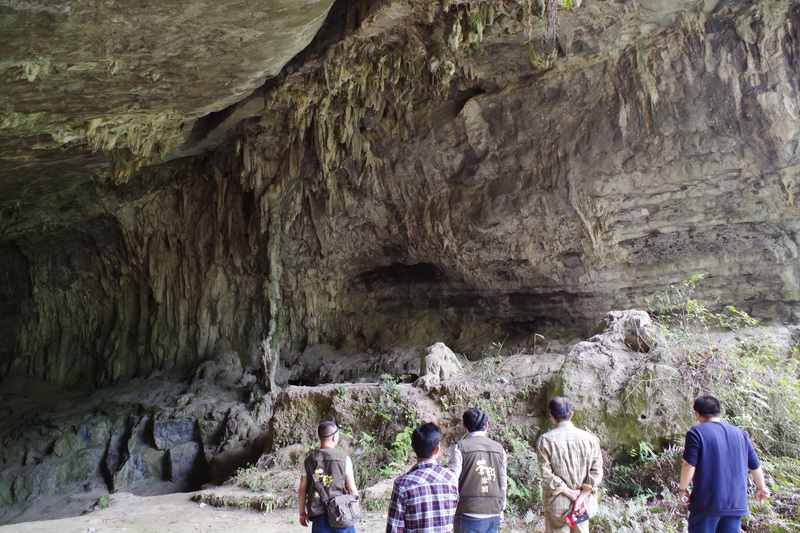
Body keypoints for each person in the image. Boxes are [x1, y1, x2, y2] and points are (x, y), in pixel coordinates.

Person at [678, 395, 771, 533]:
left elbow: (689, 465)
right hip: (735, 504)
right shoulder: (741, 434)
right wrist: (761, 487)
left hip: (707, 503)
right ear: (720, 412)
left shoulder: (696, 432)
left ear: (697, 414)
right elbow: (755, 465)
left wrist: (682, 490)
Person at [537, 397, 603, 533]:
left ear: (551, 416)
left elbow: (546, 474)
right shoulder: (590, 440)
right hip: (582, 507)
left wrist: (569, 493)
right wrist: (581, 497)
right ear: (571, 414)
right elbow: (596, 472)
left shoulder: (546, 440)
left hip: (557, 505)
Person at [386, 422, 460, 533]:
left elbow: (394, 529)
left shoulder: (402, 485)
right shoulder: (451, 478)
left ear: (412, 447)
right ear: (437, 449)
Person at [448, 408, 507, 533]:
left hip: (467, 511)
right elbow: (503, 482)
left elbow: (452, 479)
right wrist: (501, 509)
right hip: (493, 511)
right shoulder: (500, 449)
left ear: (464, 426)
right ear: (487, 425)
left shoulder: (460, 447)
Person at [299, 421, 359, 532]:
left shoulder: (308, 460)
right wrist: (354, 510)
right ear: (334, 438)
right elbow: (352, 489)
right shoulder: (344, 458)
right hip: (341, 512)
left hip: (318, 514)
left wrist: (302, 513)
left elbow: (302, 489)